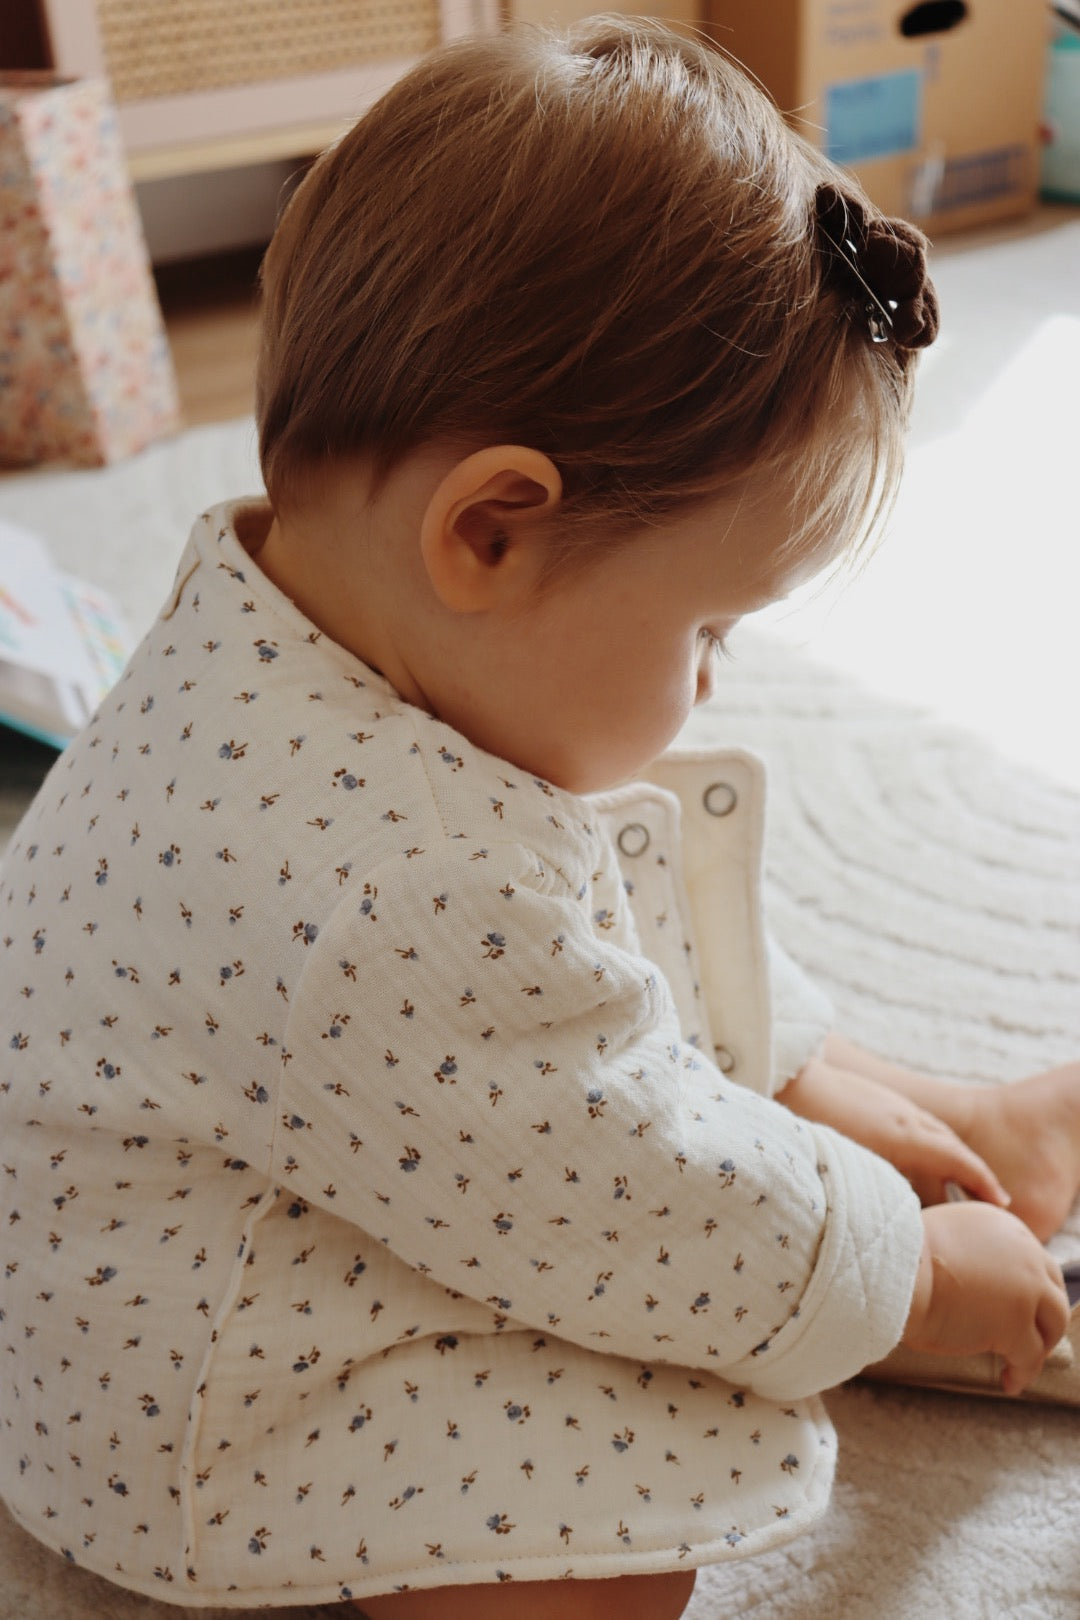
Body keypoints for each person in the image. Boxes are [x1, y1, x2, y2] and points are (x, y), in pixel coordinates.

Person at [0, 16, 1075, 1619]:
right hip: (198, 1383)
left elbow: (586, 946)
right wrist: (899, 1278)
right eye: (708, 631)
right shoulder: (396, 898)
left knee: (615, 887)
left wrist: (795, 1077)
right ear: (492, 529)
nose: (714, 685)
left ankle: (944, 1121)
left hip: (290, 1133)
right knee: (603, 1555)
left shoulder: (279, 609)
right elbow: (635, 1197)